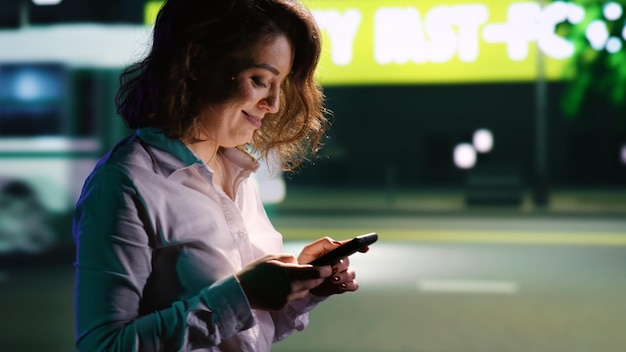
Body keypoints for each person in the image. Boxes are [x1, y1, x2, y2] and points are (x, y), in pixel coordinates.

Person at [72, 0, 363, 351]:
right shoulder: (124, 182)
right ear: (196, 62)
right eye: (260, 80)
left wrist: (302, 286)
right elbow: (104, 344)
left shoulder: (241, 174)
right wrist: (241, 295)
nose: (274, 104)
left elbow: (246, 332)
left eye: (280, 85)